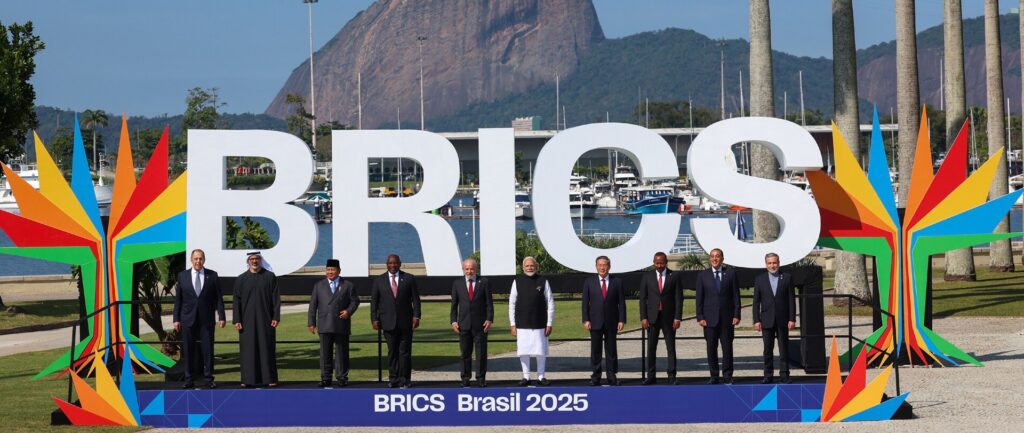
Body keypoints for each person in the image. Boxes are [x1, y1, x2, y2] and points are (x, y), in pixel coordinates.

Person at [173, 249, 225, 389]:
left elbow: (219, 298)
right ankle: (189, 379)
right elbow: (178, 300)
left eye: (200, 258)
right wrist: (176, 319)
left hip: (206, 319)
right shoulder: (182, 276)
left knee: (208, 349)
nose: (198, 261)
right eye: (195, 258)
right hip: (187, 319)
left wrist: (222, 316)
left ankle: (208, 378)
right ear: (191, 260)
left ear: (204, 260)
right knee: (188, 350)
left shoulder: (212, 275)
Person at [370, 254, 421, 388]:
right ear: (386, 265)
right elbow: (374, 302)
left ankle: (405, 379)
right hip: (387, 322)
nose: (393, 266)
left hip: (406, 323)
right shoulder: (379, 280)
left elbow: (416, 300)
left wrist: (416, 316)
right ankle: (393, 379)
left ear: (400, 264)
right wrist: (374, 319)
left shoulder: (409, 278)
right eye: (390, 263)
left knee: (405, 352)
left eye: (395, 263)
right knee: (392, 352)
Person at [307, 259, 360, 387]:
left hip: (341, 323)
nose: (330, 272)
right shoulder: (319, 285)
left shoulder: (347, 285)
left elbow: (355, 301)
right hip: (325, 323)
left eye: (333, 270)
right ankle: (326, 378)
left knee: (342, 352)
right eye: (328, 270)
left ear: (339, 271)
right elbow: (313, 305)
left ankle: (342, 377)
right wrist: (311, 322)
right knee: (325, 353)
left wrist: (348, 311)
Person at [233, 251, 281, 388]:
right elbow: (236, 300)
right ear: (248, 261)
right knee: (248, 350)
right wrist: (237, 319)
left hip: (266, 320)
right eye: (252, 259)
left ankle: (269, 378)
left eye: (257, 259)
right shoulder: (241, 279)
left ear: (261, 260)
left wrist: (276, 317)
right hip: (246, 322)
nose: (254, 261)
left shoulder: (270, 277)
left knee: (267, 348)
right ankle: (248, 380)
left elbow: (276, 299)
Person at [695, 248, 740, 384]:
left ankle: (727, 375)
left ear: (722, 259)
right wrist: (700, 316)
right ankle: (714, 375)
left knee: (727, 349)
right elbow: (699, 298)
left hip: (727, 319)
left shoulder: (731, 274)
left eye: (717, 256)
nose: (715, 259)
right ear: (710, 259)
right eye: (712, 256)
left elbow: (736, 297)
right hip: (709, 320)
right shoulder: (703, 276)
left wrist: (737, 314)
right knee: (711, 348)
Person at [509, 256, 554, 387]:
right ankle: (526, 376)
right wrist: (512, 324)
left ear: (536, 266)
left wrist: (549, 323)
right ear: (523, 267)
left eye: (532, 265)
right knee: (523, 351)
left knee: (541, 351)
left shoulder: (543, 281)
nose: (530, 268)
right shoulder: (517, 281)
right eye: (527, 266)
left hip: (540, 322)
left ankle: (541, 376)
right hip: (521, 323)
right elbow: (511, 303)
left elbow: (550, 302)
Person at [753, 252, 797, 384]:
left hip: (783, 320)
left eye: (774, 263)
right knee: (767, 349)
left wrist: (792, 319)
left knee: (784, 348)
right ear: (766, 264)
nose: (772, 265)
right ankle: (768, 375)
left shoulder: (787, 278)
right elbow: (756, 302)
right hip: (766, 319)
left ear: (779, 262)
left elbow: (791, 300)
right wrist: (756, 320)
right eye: (770, 263)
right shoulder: (760, 279)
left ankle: (784, 374)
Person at [582, 255, 626, 386]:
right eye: (600, 265)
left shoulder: (617, 282)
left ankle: (612, 376)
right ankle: (596, 377)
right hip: (594, 322)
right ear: (596, 267)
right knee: (595, 351)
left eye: (605, 265)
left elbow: (622, 303)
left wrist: (621, 320)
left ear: (609, 266)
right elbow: (585, 303)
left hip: (612, 322)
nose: (602, 268)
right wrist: (585, 319)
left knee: (611, 350)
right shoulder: (589, 282)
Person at [450, 258, 493, 387]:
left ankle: (480, 378)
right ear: (463, 269)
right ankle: (465, 377)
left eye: (472, 269)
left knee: (481, 353)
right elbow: (454, 304)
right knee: (465, 353)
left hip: (481, 324)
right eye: (467, 269)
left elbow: (489, 304)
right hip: (463, 324)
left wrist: (489, 319)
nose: (469, 271)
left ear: (476, 269)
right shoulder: (457, 283)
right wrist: (453, 321)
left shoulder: (484, 282)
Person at [639, 251, 681, 385]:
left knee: (671, 347)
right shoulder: (647, 277)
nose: (659, 265)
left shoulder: (673, 276)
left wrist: (677, 317)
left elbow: (679, 299)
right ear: (653, 262)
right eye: (657, 263)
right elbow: (642, 299)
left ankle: (672, 375)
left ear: (666, 262)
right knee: (651, 348)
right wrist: (644, 318)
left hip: (669, 318)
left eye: (661, 263)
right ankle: (651, 376)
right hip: (652, 318)